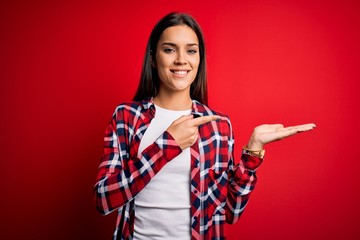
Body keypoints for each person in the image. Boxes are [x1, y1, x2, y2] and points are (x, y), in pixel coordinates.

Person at [93, 12, 316, 240]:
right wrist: (167, 145)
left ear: (199, 59)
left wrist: (253, 153)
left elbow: (230, 211)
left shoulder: (218, 126)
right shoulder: (126, 116)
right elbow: (103, 199)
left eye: (191, 50)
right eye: (169, 49)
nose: (181, 59)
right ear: (153, 57)